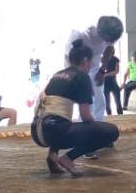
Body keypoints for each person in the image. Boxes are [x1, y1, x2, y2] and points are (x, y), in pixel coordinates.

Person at [32, 42, 120, 176]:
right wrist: (96, 130)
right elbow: (86, 116)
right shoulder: (82, 76)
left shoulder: (57, 74)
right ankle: (69, 158)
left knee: (61, 120)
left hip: (37, 132)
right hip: (55, 132)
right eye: (91, 62)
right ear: (85, 61)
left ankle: (52, 156)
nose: (91, 66)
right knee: (111, 132)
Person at [65, 15, 124, 121]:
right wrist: (82, 77)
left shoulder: (109, 38)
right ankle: (83, 123)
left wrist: (102, 71)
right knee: (84, 97)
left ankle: (98, 123)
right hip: (74, 65)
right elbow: (72, 60)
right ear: (103, 34)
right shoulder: (81, 37)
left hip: (93, 65)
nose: (111, 41)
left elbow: (109, 50)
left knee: (99, 98)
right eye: (110, 39)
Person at [99, 46, 122, 115]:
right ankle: (109, 117)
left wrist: (106, 75)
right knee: (107, 103)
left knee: (118, 101)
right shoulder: (102, 59)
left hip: (113, 82)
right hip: (105, 83)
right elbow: (100, 70)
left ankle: (121, 116)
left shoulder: (116, 59)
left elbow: (116, 71)